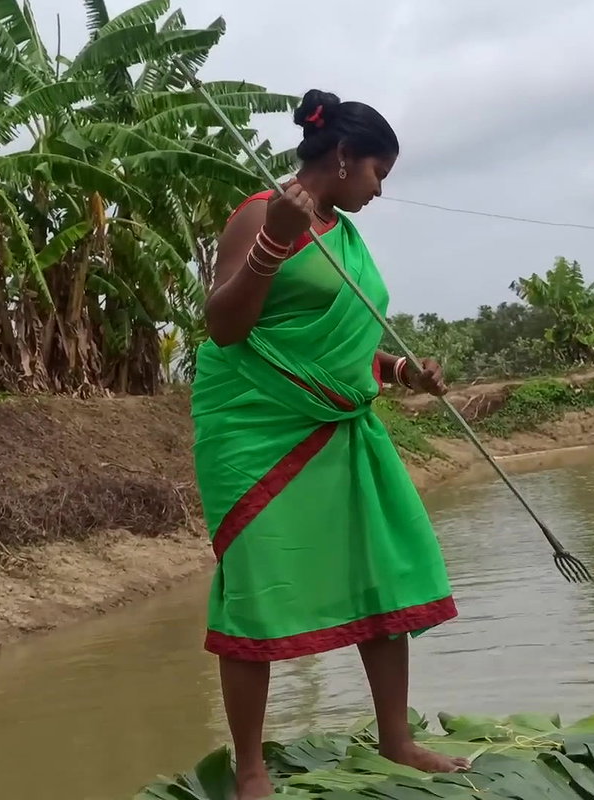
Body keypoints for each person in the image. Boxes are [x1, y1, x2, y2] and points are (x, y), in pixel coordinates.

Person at [190, 89, 469, 799]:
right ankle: (251, 770)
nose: (380, 190)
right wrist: (275, 242)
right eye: (379, 173)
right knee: (257, 584)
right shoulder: (261, 213)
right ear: (344, 157)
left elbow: (342, 347)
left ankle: (397, 739)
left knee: (384, 567)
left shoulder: (344, 234)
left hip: (343, 429)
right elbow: (225, 327)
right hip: (257, 430)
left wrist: (403, 370)